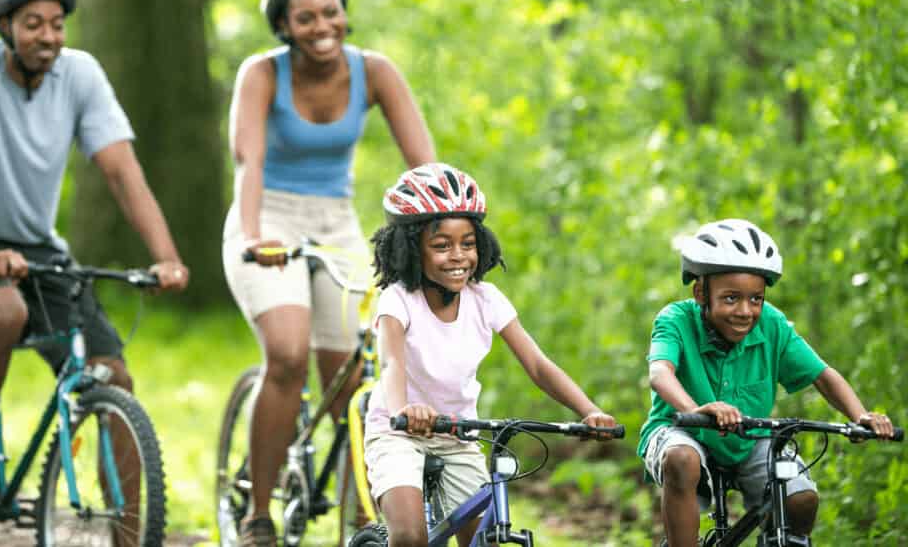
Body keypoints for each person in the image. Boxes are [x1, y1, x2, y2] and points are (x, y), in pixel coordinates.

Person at [0, 0, 190, 509]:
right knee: (3, 313)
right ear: (6, 27)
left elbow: (122, 172)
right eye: (34, 23)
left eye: (57, 23)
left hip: (36, 245)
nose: (48, 36)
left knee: (112, 376)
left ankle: (133, 532)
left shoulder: (80, 75)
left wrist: (166, 258)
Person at [222, 0, 435, 546]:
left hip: (336, 222)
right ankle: (258, 514)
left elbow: (425, 163)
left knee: (353, 376)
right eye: (305, 18)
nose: (321, 27)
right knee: (288, 354)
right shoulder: (262, 74)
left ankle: (362, 517)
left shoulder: (375, 72)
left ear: (345, 13)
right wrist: (256, 230)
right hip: (267, 216)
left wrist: (448, 232)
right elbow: (249, 160)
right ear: (283, 26)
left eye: (330, 12)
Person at [364, 163, 619, 547]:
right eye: (441, 245)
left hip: (458, 435)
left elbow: (537, 364)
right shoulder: (398, 299)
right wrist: (404, 411)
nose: (458, 256)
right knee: (410, 536)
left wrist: (588, 410)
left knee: (483, 537)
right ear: (411, 248)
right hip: (398, 432)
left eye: (467, 243)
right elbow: (392, 362)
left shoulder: (486, 300)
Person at [637, 218, 896, 545]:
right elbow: (660, 373)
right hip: (682, 429)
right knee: (682, 460)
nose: (745, 311)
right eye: (731, 298)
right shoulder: (675, 319)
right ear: (701, 292)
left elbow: (823, 375)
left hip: (750, 435)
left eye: (755, 299)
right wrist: (696, 408)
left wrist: (860, 415)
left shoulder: (772, 325)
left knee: (800, 499)